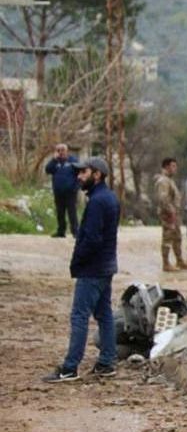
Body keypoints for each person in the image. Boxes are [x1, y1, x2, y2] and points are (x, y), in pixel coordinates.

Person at [44, 157, 119, 383]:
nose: (79, 176)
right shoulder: (109, 198)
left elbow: (92, 239)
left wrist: (77, 261)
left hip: (93, 269)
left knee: (79, 316)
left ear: (97, 175)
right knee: (104, 315)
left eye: (83, 172)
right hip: (105, 267)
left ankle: (70, 367)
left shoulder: (97, 202)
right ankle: (107, 362)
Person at [155, 157, 186, 272]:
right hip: (168, 214)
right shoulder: (163, 181)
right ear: (167, 167)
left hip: (174, 213)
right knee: (167, 238)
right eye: (173, 166)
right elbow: (163, 199)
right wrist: (171, 211)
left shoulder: (169, 180)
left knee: (177, 237)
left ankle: (179, 260)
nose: (175, 169)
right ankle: (166, 263)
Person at [44, 143, 79, 238]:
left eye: (62, 150)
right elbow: (47, 170)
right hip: (58, 192)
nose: (61, 152)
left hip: (70, 192)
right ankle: (61, 231)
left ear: (67, 151)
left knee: (72, 212)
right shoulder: (55, 162)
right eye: (58, 150)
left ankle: (75, 232)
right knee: (60, 212)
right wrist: (53, 159)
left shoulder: (73, 161)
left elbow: (79, 174)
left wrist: (76, 187)